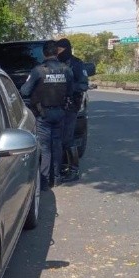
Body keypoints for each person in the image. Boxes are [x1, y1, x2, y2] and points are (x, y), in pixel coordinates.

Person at [20, 40, 73, 190]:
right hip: (60, 112)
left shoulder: (38, 71)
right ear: (57, 53)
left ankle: (44, 181)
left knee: (44, 147)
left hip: (43, 114)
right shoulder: (67, 70)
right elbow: (70, 91)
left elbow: (24, 91)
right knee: (57, 145)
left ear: (44, 53)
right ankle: (56, 178)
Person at [56, 38, 88, 183]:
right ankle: (61, 167)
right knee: (58, 139)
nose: (58, 52)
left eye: (60, 50)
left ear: (66, 49)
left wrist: (67, 88)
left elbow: (83, 85)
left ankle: (74, 170)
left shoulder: (77, 64)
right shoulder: (54, 63)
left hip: (71, 106)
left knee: (68, 139)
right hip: (56, 106)